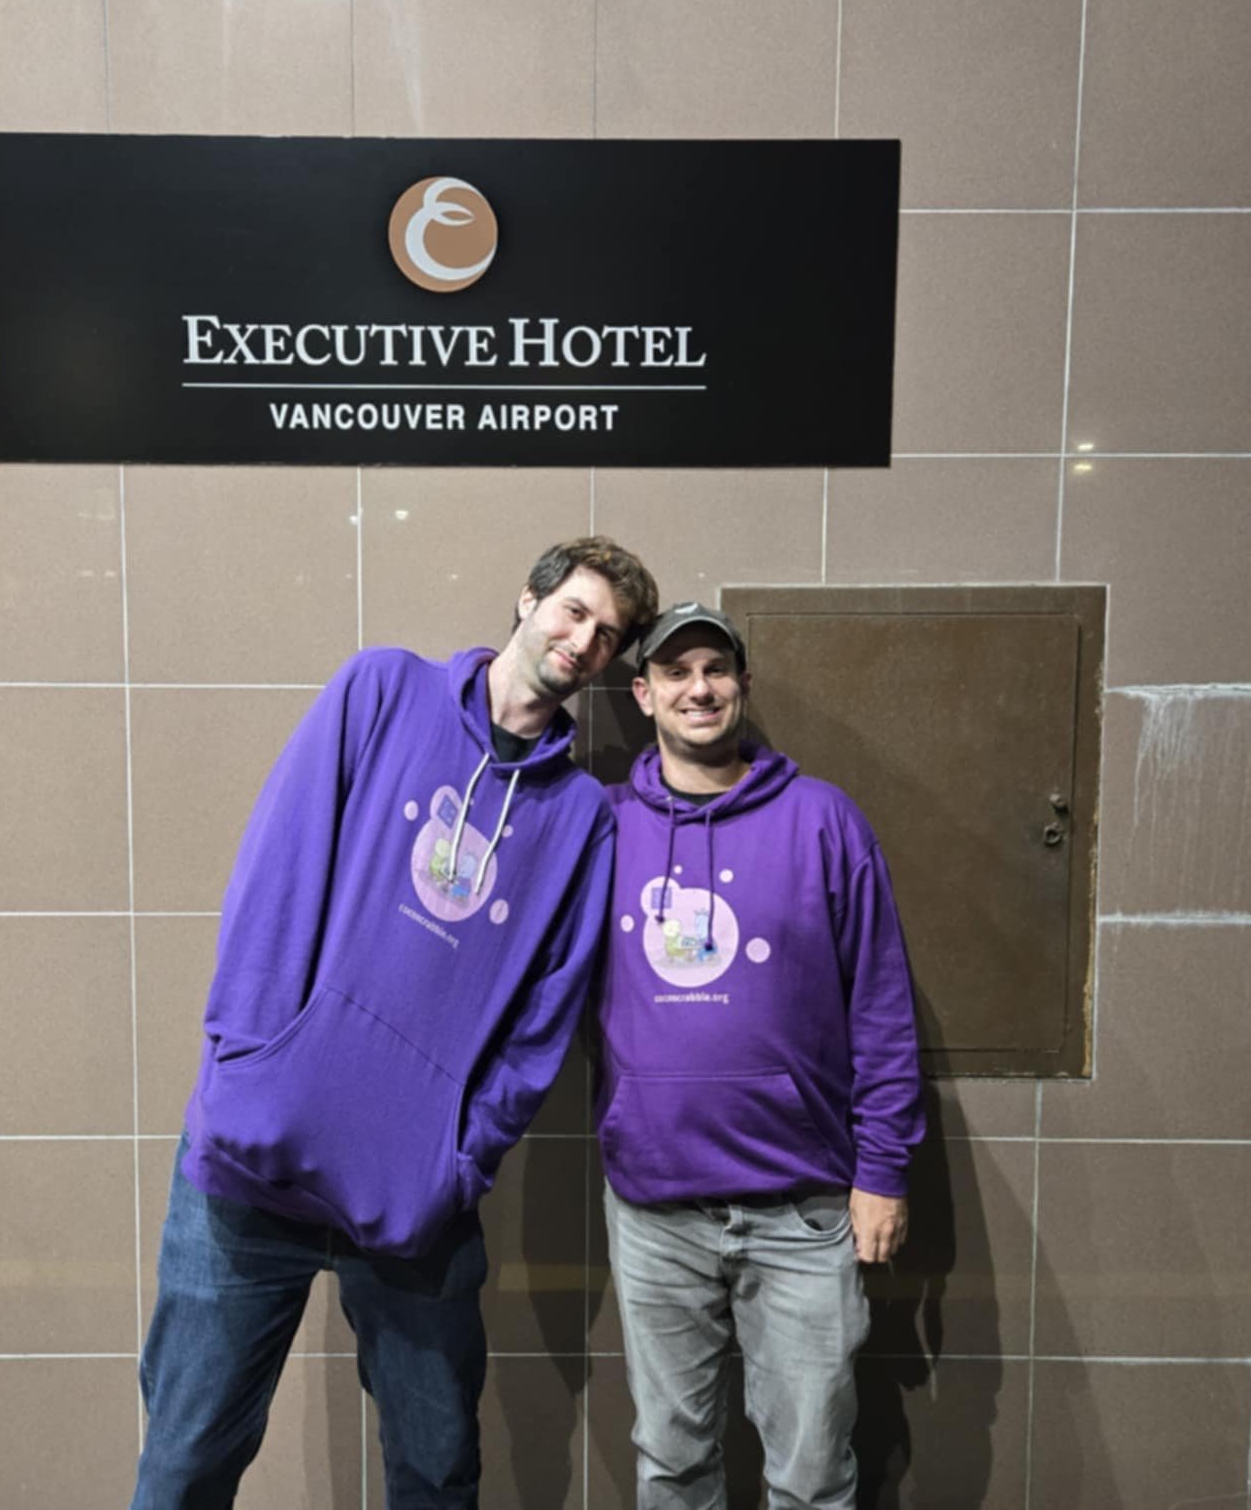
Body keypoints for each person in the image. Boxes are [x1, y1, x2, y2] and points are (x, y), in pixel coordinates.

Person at [131, 537, 657, 1510]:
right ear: (528, 600)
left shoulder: (582, 816)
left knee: (437, 1471)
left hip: (413, 1201)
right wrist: (252, 1067)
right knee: (184, 1465)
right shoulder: (383, 690)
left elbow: (544, 1016)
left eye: (608, 635)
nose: (584, 641)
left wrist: (460, 1159)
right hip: (250, 1166)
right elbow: (276, 872)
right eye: (574, 611)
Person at [594, 601, 926, 1510]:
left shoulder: (824, 820)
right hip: (655, 1209)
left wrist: (883, 1171)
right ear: (643, 694)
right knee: (672, 1466)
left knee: (812, 1476)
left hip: (803, 1211)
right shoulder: (606, 827)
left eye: (716, 669)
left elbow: (881, 1008)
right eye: (676, 672)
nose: (698, 688)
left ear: (743, 684)